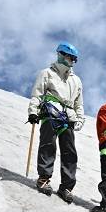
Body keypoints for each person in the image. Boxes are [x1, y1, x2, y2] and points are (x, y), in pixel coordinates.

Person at [27, 42, 85, 203]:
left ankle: (66, 187)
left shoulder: (76, 80)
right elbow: (37, 93)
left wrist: (80, 119)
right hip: (51, 110)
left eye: (74, 59)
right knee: (48, 145)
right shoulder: (47, 73)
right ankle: (44, 178)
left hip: (68, 116)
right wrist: (33, 111)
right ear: (61, 55)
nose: (72, 61)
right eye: (70, 57)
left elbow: (79, 103)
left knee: (70, 152)